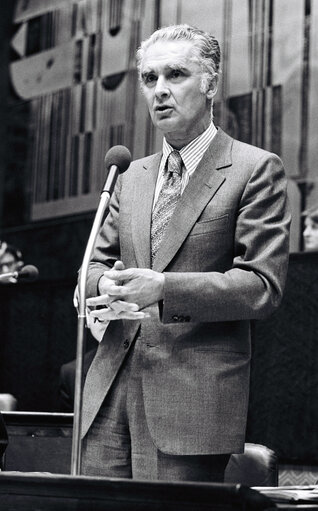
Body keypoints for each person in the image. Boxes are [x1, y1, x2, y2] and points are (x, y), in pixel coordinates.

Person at [80, 24, 291, 482]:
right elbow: (90, 267)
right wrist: (103, 283)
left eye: (175, 74)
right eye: (149, 78)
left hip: (191, 399)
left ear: (210, 82)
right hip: (108, 391)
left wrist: (163, 289)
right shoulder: (128, 175)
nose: (159, 91)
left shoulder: (254, 170)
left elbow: (262, 286)